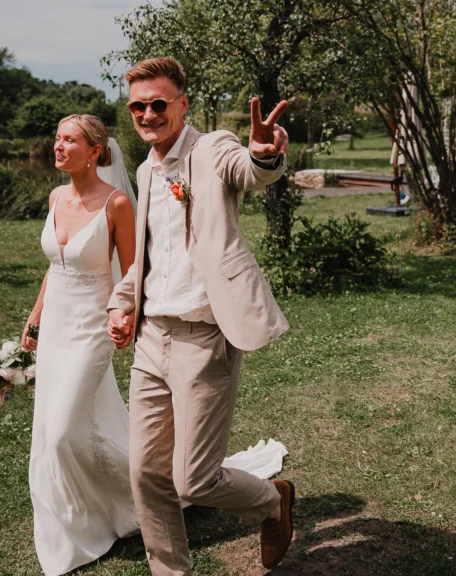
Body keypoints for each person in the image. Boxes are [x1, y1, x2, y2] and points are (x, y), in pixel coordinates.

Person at [105, 57, 295, 575]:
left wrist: (262, 154)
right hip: (151, 341)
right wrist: (122, 305)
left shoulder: (211, 148)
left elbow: (249, 169)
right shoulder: (145, 170)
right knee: (145, 474)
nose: (148, 114)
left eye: (158, 104)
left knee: (195, 479)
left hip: (203, 337)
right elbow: (149, 258)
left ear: (182, 104)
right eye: (138, 106)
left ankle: (271, 502)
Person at [22, 114, 139, 576]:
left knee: (64, 430)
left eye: (69, 140)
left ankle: (126, 504)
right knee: (53, 425)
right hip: (55, 326)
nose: (58, 146)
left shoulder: (116, 205)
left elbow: (130, 273)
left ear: (95, 151)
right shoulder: (55, 197)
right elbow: (57, 264)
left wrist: (122, 315)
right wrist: (35, 316)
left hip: (92, 327)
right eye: (56, 138)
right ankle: (73, 516)